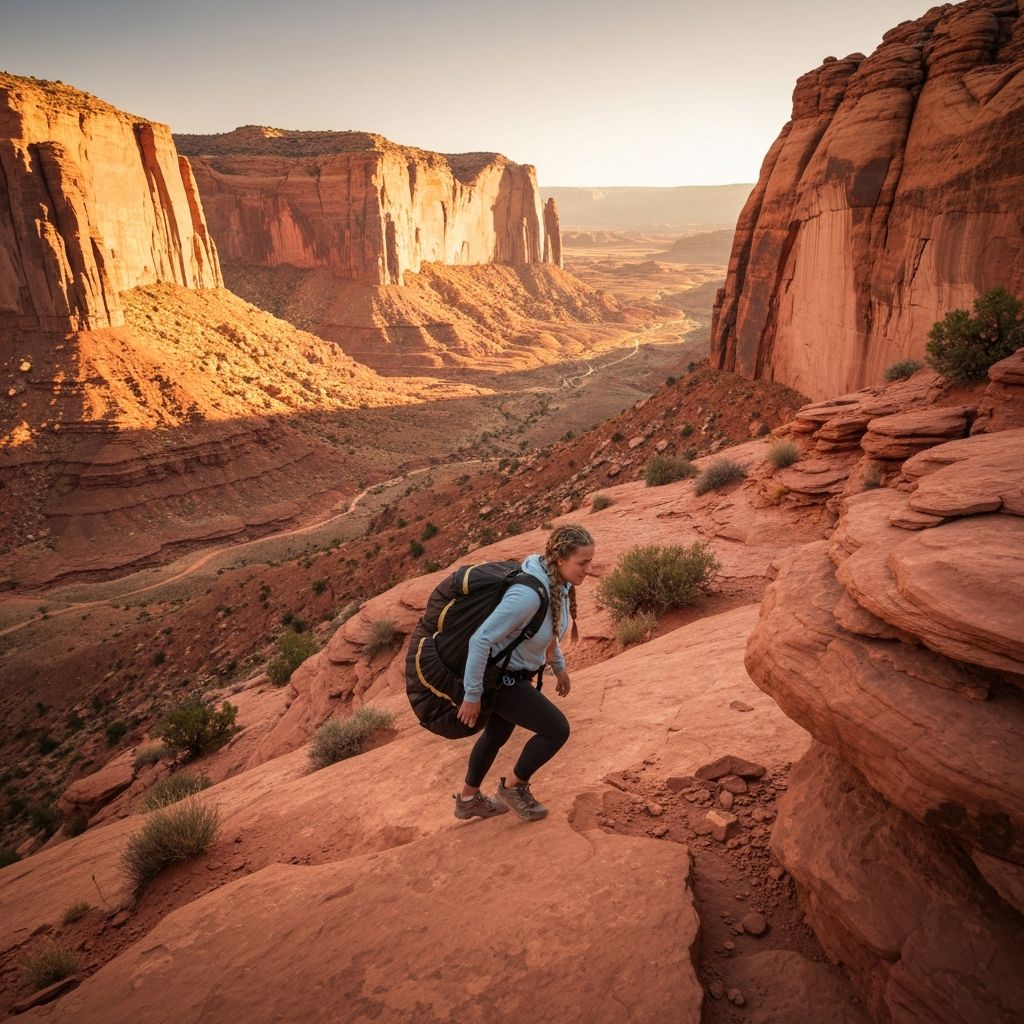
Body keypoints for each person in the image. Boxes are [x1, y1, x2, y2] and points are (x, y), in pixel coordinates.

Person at [453, 524, 595, 822]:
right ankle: (513, 788)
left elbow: (548, 632)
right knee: (556, 729)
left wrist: (559, 667)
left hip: (513, 675)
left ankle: (467, 800)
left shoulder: (559, 585)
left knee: (496, 735)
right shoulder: (527, 596)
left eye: (590, 562)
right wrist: (472, 694)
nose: (588, 569)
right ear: (560, 559)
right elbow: (480, 640)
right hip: (499, 678)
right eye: (583, 563)